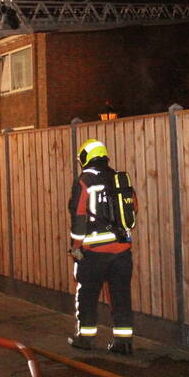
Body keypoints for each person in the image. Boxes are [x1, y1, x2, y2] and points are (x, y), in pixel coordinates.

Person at [67, 138, 135, 354]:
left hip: (94, 253)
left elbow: (78, 215)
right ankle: (123, 343)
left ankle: (85, 339)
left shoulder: (85, 180)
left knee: (87, 295)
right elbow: (133, 209)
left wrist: (76, 246)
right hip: (122, 252)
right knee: (121, 296)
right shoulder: (119, 179)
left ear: (86, 157)